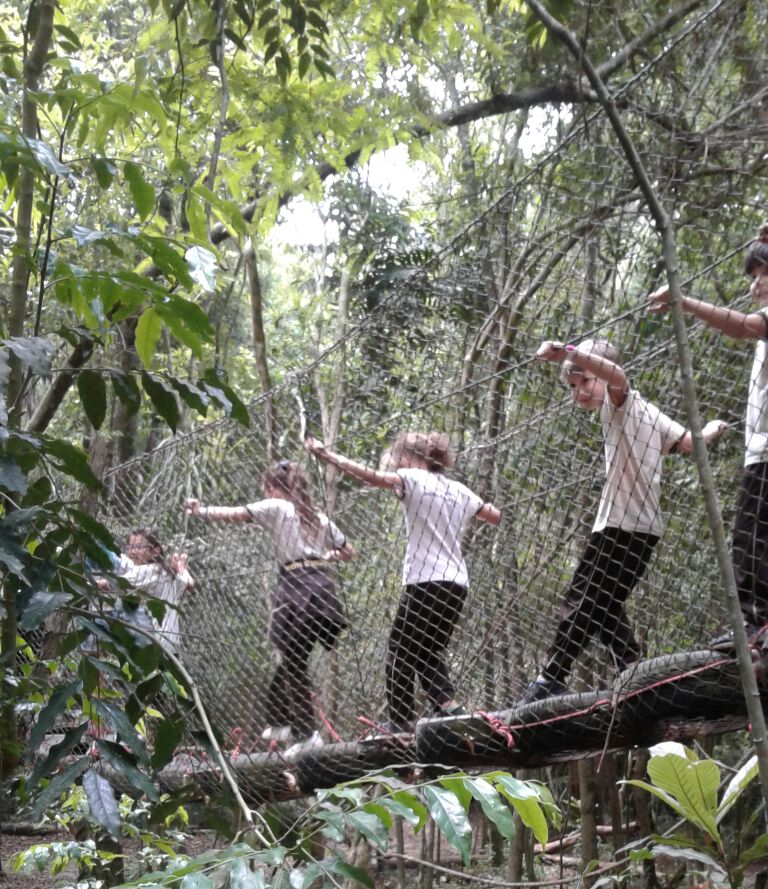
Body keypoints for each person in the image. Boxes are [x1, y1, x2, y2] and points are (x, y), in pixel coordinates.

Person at [522, 338, 727, 703]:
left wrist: (569, 351)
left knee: (582, 598)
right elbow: (688, 443)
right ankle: (631, 667)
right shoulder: (647, 410)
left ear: (601, 375)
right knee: (605, 602)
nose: (579, 392)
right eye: (572, 386)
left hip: (619, 523)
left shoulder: (620, 402)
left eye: (585, 381)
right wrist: (712, 429)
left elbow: (616, 376)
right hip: (645, 528)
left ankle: (551, 676)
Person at [304, 431, 501, 733]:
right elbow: (494, 515)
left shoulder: (412, 477)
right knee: (427, 652)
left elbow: (371, 477)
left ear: (407, 458)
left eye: (396, 462)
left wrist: (328, 455)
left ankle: (400, 722)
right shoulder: (459, 489)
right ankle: (450, 708)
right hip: (457, 583)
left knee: (399, 650)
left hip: (425, 580)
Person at [648, 226, 768, 645]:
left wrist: (683, 301)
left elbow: (743, 326)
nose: (754, 285)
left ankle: (755, 626)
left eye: (762, 274)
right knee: (752, 537)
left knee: (750, 538)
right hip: (759, 451)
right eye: (751, 277)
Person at [186, 460, 352, 753]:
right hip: (322, 587)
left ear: (273, 488)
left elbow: (237, 514)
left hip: (296, 587)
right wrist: (323, 557)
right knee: (293, 659)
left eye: (265, 489)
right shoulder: (318, 517)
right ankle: (282, 722)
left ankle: (304, 734)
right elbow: (348, 551)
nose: (264, 494)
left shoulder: (277, 506)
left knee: (292, 661)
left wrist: (201, 511)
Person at [115, 528, 194, 657]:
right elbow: (190, 584)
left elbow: (111, 583)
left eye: (138, 547)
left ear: (155, 551)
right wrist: (181, 568)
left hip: (152, 646)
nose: (132, 552)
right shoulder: (167, 572)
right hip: (171, 645)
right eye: (129, 547)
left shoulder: (146, 570)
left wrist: (85, 581)